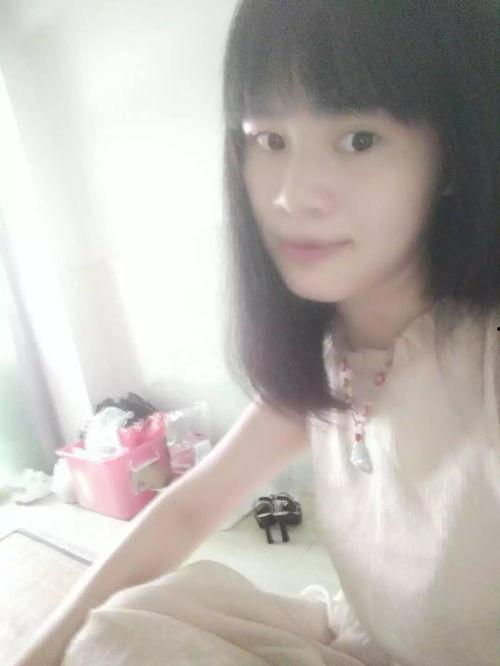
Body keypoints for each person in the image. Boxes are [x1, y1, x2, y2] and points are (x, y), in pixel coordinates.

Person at [16, 1, 499, 664]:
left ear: (451, 160)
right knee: (122, 631)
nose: (291, 195)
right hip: (361, 643)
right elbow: (187, 511)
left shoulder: (482, 356)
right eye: (269, 139)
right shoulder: (330, 363)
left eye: (359, 138)